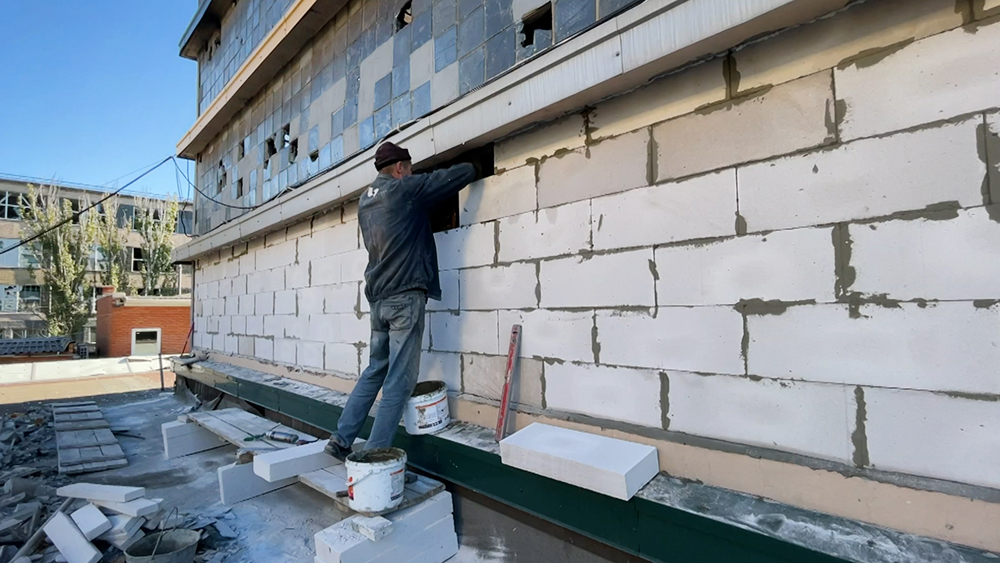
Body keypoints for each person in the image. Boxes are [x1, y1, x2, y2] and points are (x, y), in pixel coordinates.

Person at [325, 141, 477, 459]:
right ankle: (376, 456)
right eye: (409, 168)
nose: (411, 173)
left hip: (379, 300)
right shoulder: (403, 190)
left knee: (375, 370)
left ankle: (340, 440)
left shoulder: (365, 201)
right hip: (404, 298)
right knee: (399, 381)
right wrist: (474, 166)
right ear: (399, 169)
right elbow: (448, 179)